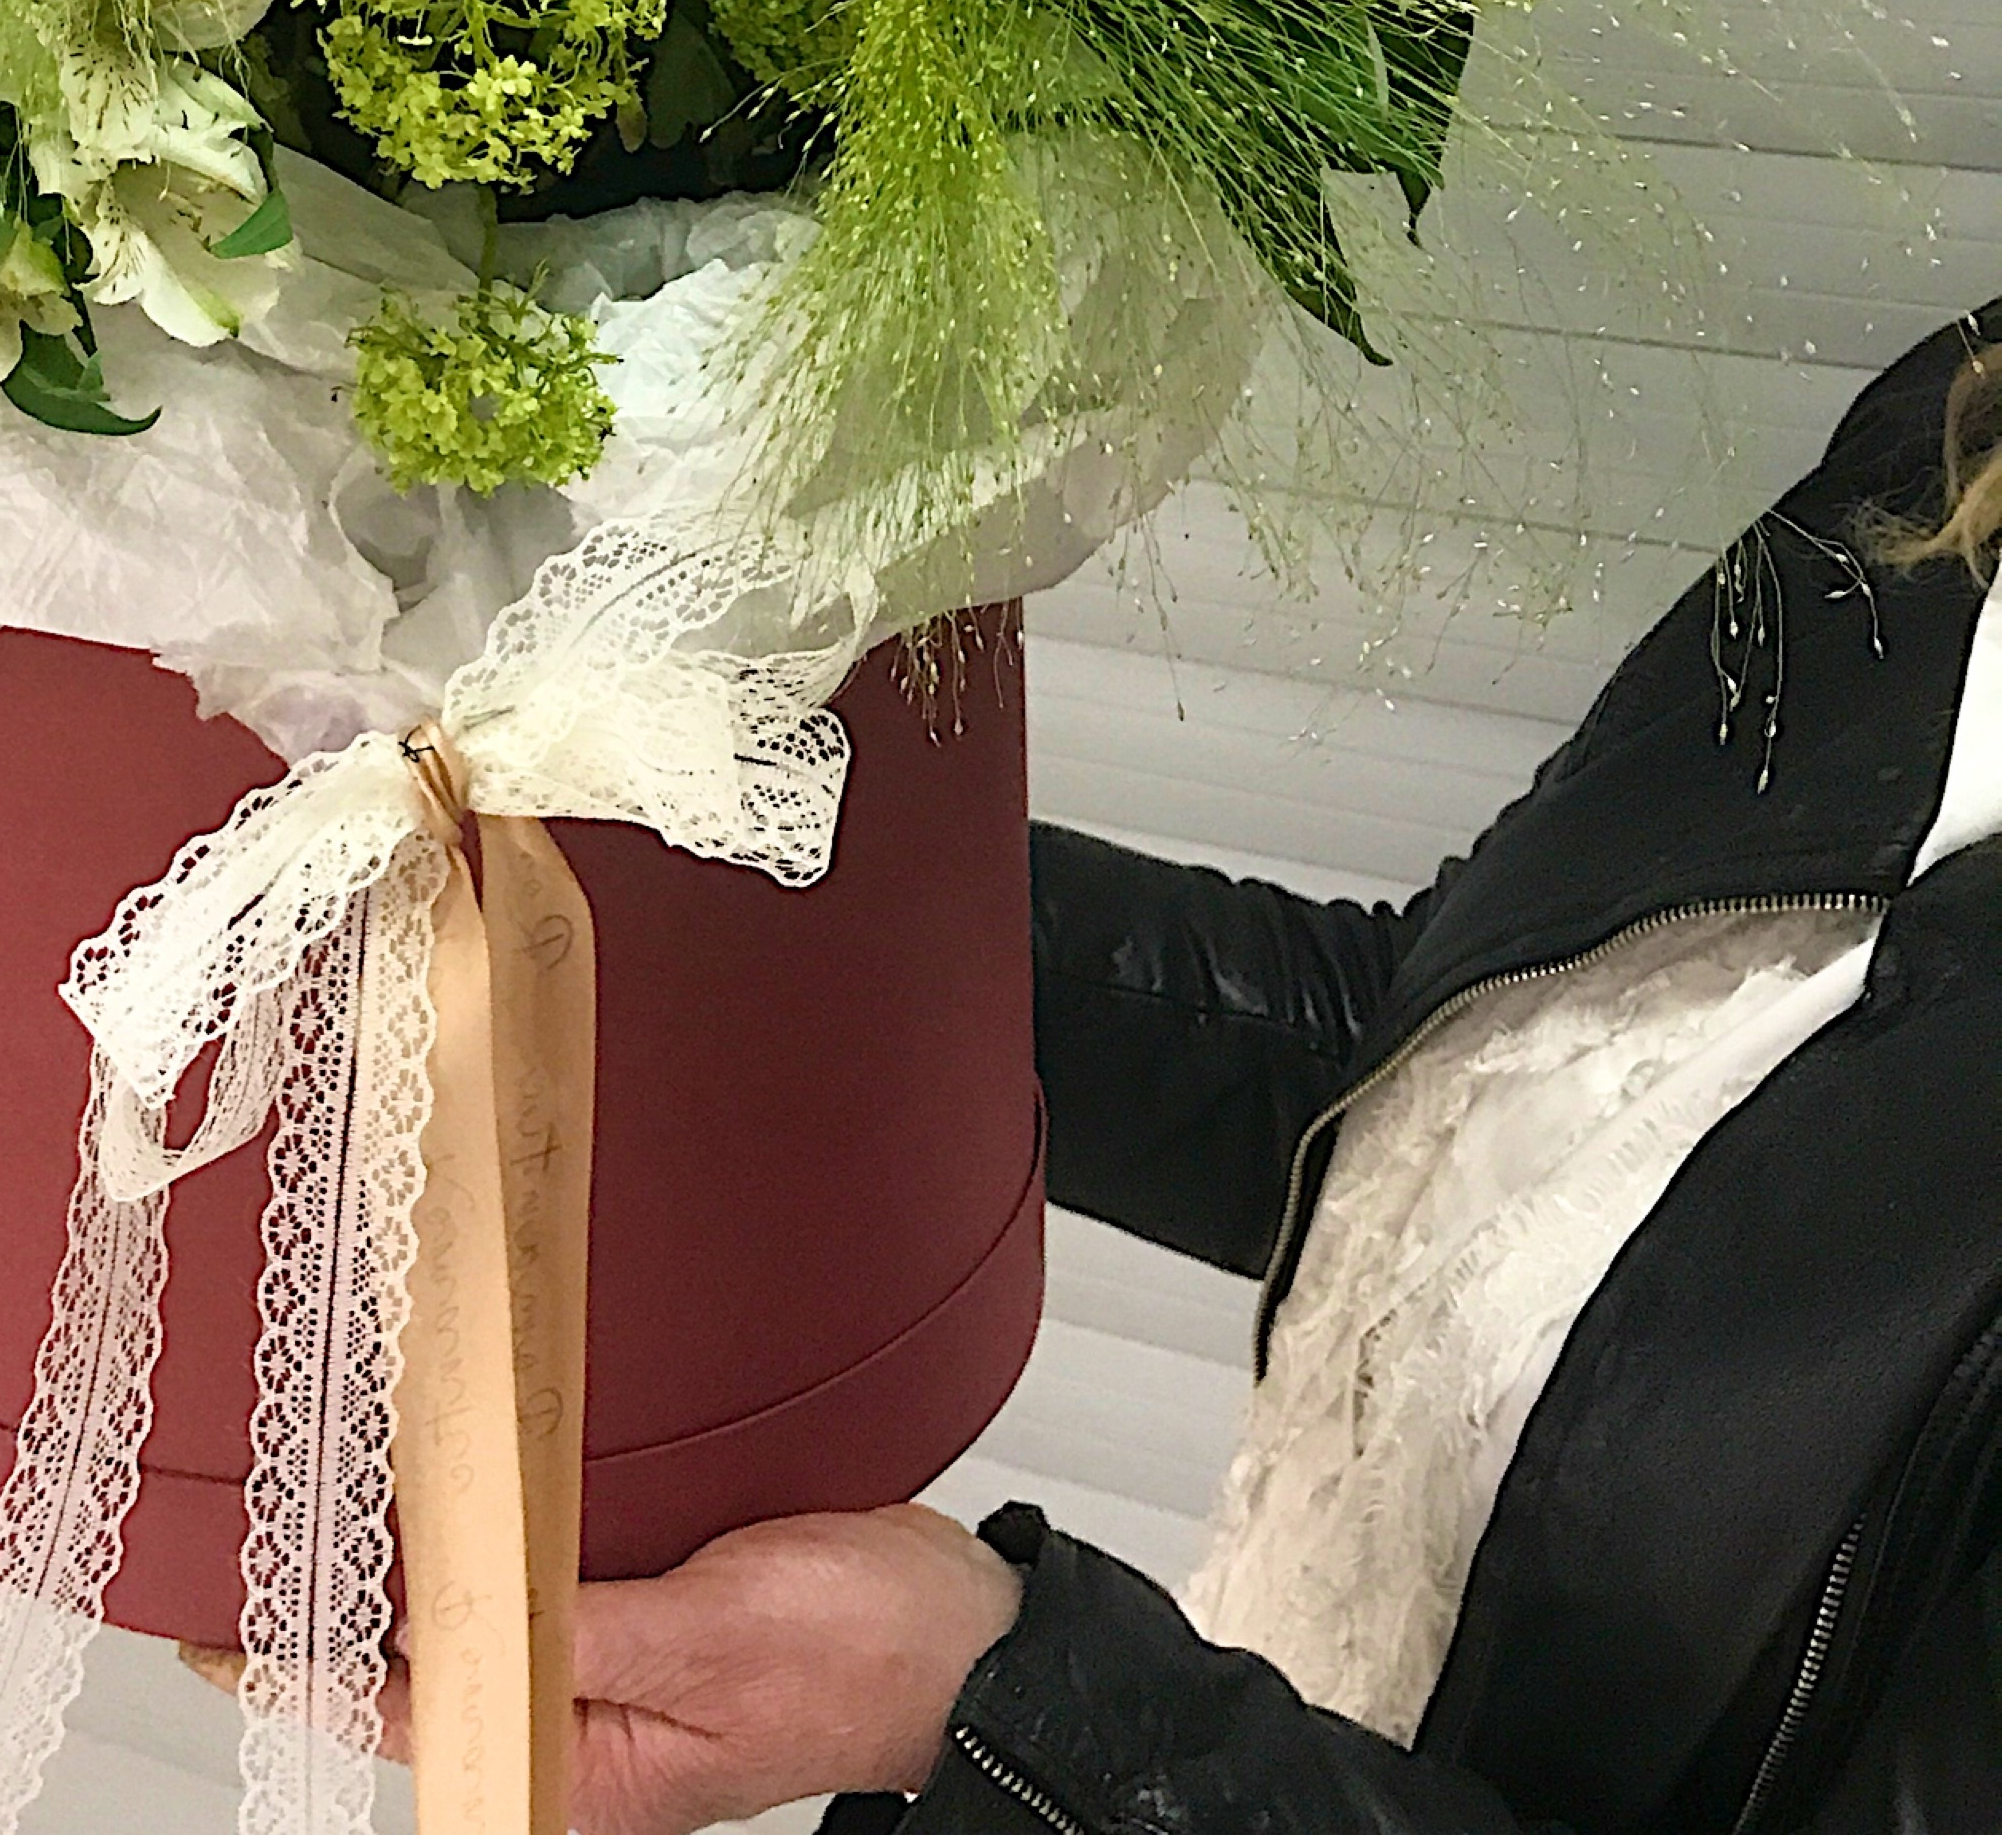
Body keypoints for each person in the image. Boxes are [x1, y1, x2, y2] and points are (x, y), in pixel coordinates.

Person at [278, 310, 2002, 1833]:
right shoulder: (1966, 424)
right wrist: (723, 875)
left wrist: (1014, 1721)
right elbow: (1460, 1053)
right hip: (1295, 1665)